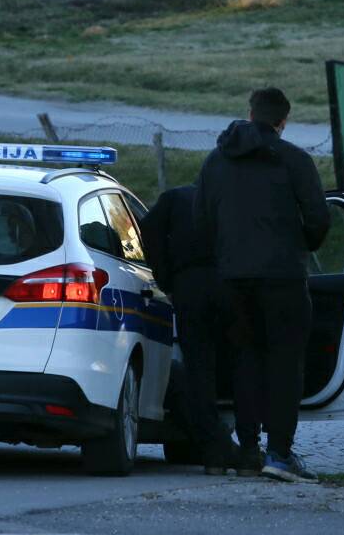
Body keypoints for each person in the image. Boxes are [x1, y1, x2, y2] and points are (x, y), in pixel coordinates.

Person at [197, 87, 331, 484]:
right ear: (283, 121)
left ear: (249, 112)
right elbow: (319, 219)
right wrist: (300, 245)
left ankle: (248, 448)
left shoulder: (215, 161)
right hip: (284, 279)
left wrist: (223, 258)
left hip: (232, 279)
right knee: (285, 364)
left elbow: (201, 221)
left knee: (245, 360)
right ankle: (280, 453)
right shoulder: (295, 160)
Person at [139, 185, 245, 476]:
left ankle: (213, 451)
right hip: (235, 286)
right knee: (244, 365)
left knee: (199, 369)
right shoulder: (239, 197)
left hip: (190, 285)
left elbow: (147, 228)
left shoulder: (176, 198)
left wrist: (165, 276)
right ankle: (248, 448)